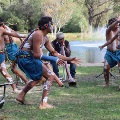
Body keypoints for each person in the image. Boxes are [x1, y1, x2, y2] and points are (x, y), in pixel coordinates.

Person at [16, 16, 81, 109]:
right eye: (52, 25)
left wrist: (69, 59)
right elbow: (36, 55)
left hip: (28, 58)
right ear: (47, 26)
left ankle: (21, 96)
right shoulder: (38, 34)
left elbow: (54, 53)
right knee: (50, 76)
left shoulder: (45, 37)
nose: (53, 27)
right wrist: (55, 60)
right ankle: (43, 104)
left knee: (37, 78)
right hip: (26, 58)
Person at [0, 17, 26, 93]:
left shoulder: (2, 29)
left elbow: (12, 33)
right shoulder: (4, 28)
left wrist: (22, 36)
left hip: (8, 50)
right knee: (5, 70)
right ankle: (16, 87)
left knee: (10, 69)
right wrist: (21, 37)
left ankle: (21, 84)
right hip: (7, 50)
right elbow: (13, 33)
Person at [99, 16, 120, 87]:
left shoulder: (119, 31)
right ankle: (107, 83)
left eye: (118, 23)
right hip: (109, 53)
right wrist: (102, 46)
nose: (117, 25)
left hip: (118, 52)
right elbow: (110, 40)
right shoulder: (108, 31)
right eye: (116, 23)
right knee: (106, 67)